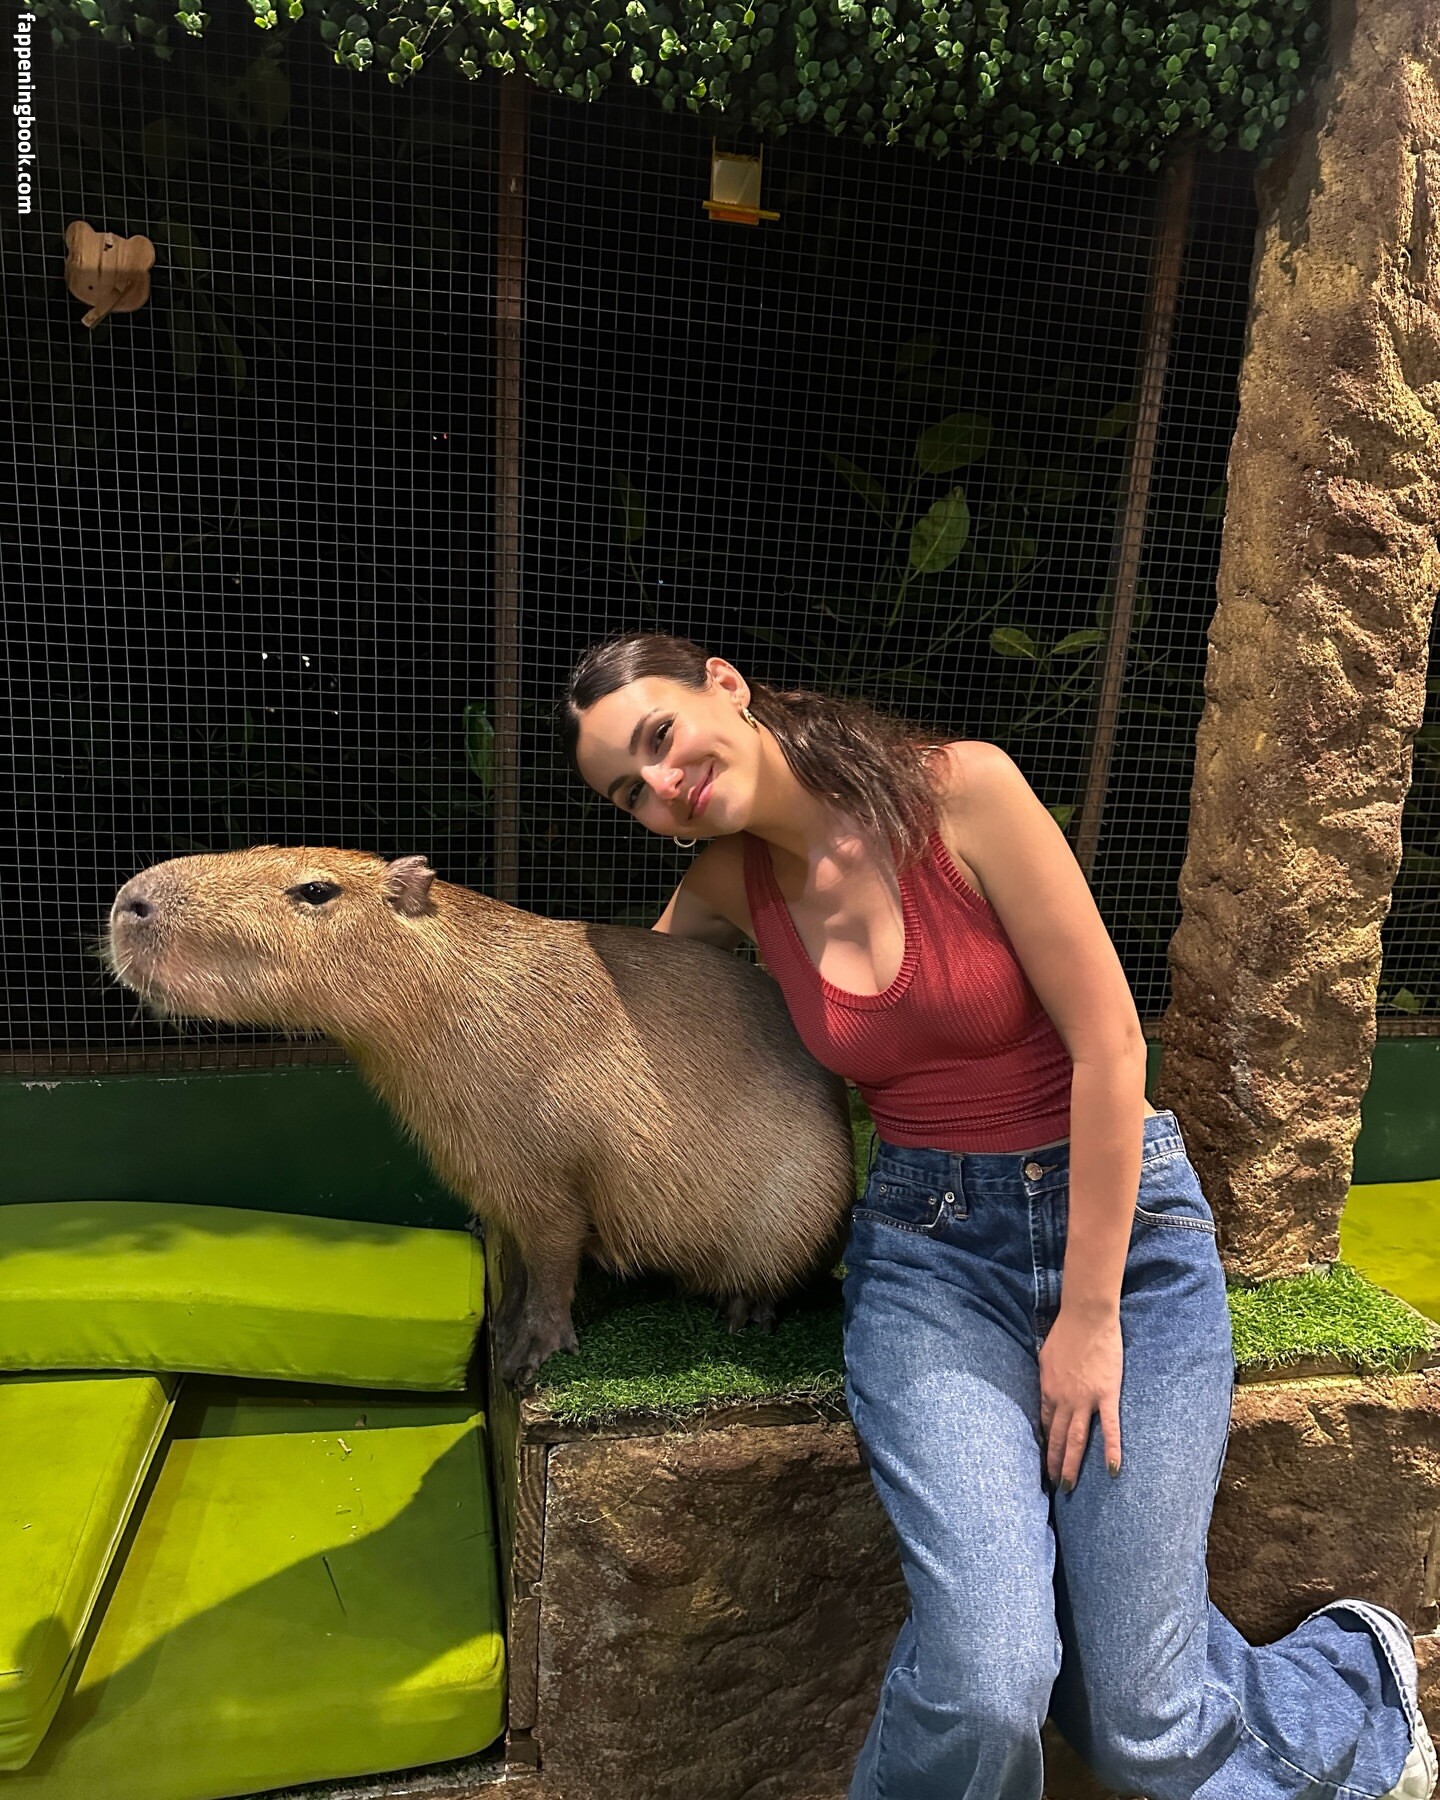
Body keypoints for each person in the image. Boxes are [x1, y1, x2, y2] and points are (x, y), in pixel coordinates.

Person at [559, 630, 1436, 1800]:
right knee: (992, 1681)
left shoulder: (961, 792)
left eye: (660, 737)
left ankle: (1354, 1678)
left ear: (725, 684)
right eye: (629, 790)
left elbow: (1111, 1045)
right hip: (929, 1263)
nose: (662, 785)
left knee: (1140, 1722)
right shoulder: (726, 887)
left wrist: (1089, 1315)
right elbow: (628, 1015)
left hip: (1128, 1246)